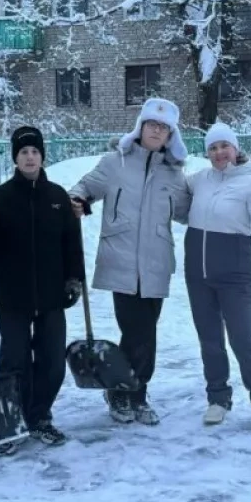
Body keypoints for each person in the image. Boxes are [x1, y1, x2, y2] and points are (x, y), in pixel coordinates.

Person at [68, 97, 191, 425]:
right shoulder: (115, 162)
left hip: (157, 264)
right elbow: (85, 186)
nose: (156, 130)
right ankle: (133, 393)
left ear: (170, 135)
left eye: (163, 127)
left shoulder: (174, 175)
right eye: (152, 124)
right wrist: (76, 199)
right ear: (140, 127)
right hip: (120, 261)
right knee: (138, 330)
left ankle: (122, 391)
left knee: (144, 332)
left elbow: (188, 211)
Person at [0, 125, 86, 455]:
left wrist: (74, 279)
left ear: (42, 156)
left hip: (51, 295)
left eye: (34, 151)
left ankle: (38, 417)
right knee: (15, 361)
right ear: (15, 158)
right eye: (23, 152)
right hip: (12, 295)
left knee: (52, 362)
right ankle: (10, 421)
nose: (30, 157)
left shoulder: (57, 198)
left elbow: (71, 244)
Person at [185, 123, 251, 432]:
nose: (219, 153)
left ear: (235, 149)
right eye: (213, 148)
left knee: (243, 339)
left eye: (224, 146)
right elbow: (170, 184)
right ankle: (218, 399)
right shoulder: (200, 180)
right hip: (198, 274)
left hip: (235, 275)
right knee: (210, 340)